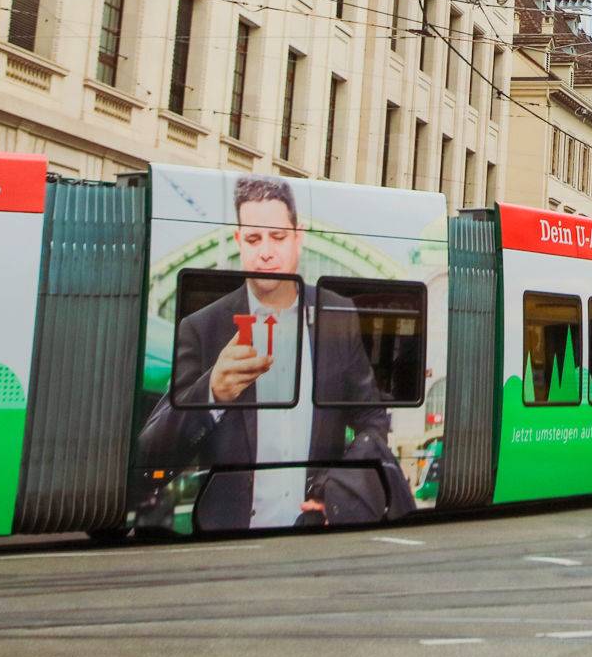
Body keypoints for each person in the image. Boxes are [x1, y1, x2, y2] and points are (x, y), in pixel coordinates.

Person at [136, 176, 415, 532]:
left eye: (277, 237)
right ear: (239, 241)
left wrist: (337, 493)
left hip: (312, 533)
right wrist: (211, 393)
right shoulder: (202, 328)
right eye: (253, 239)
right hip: (225, 539)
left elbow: (372, 422)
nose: (265, 251)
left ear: (298, 237)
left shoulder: (338, 315)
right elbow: (151, 458)